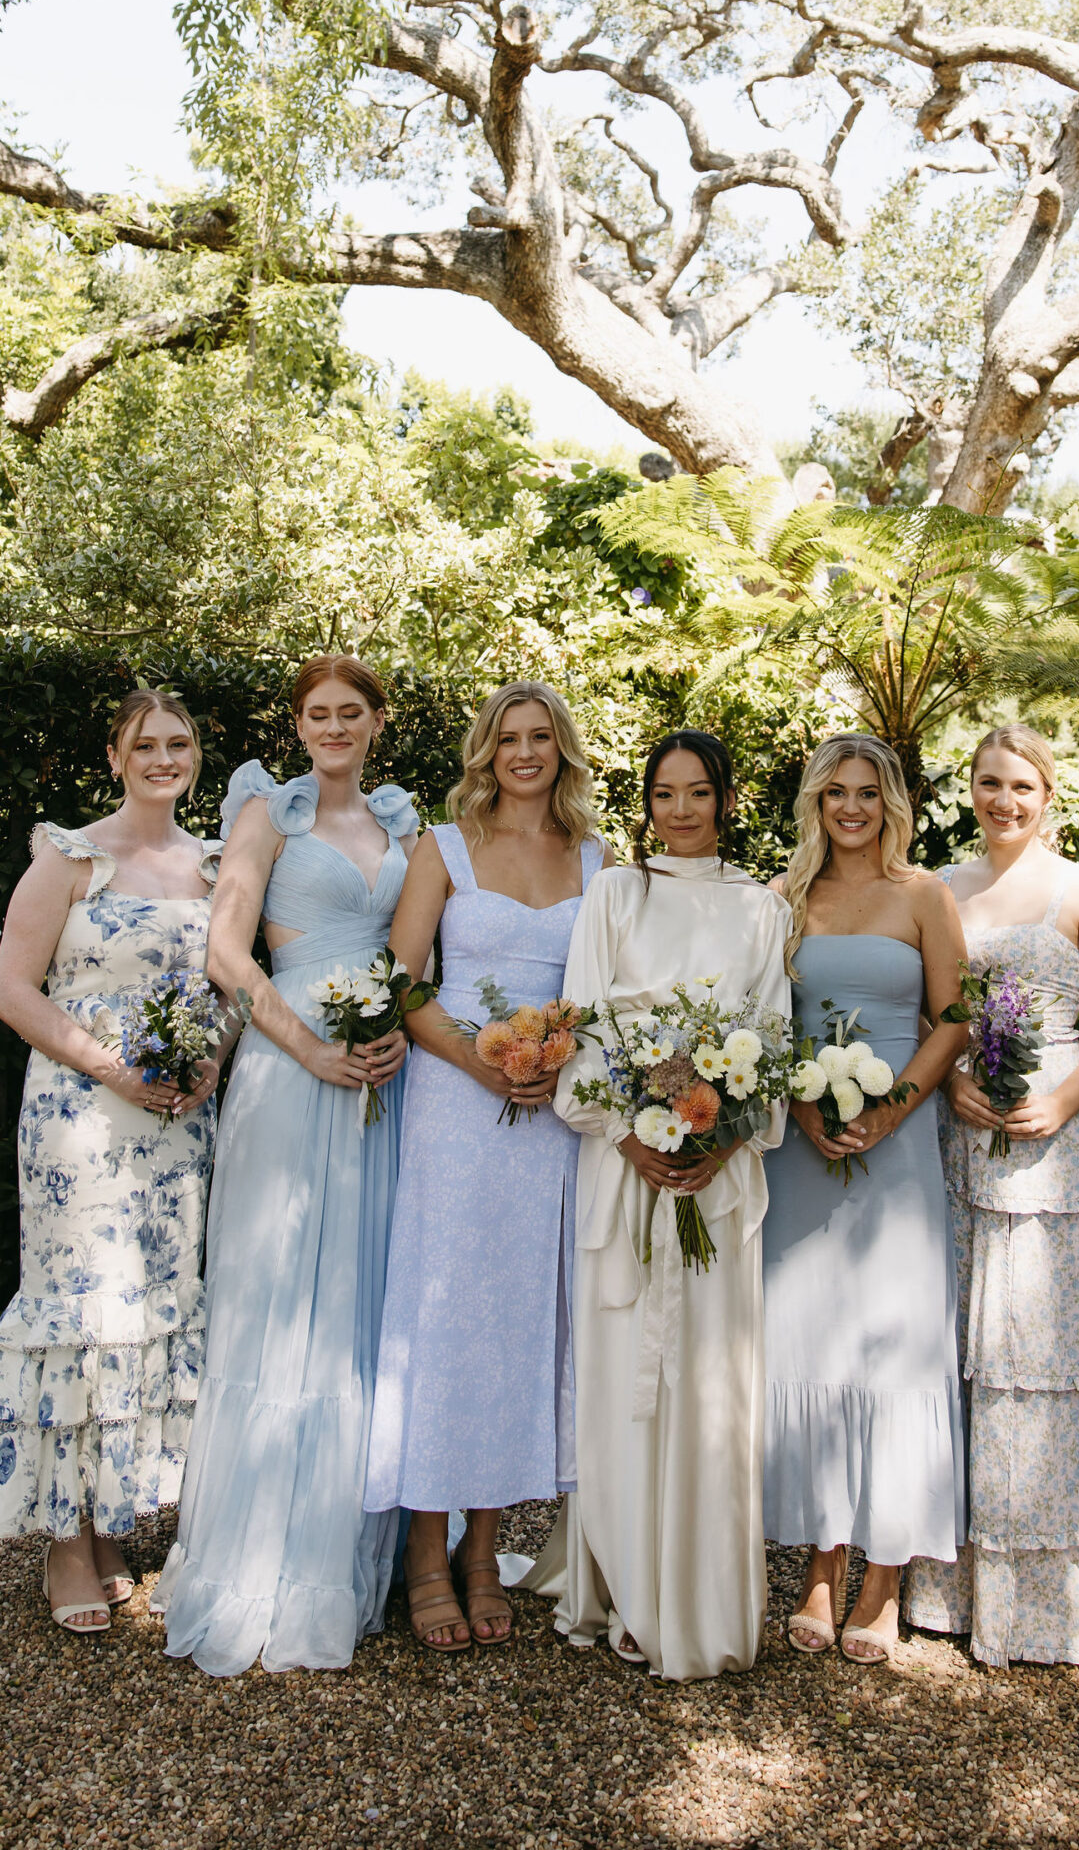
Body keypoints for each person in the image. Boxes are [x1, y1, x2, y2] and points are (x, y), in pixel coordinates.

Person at [156, 654, 417, 1675]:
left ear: (376, 722)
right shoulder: (269, 811)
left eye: (353, 711)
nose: (336, 727)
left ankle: (354, 1553)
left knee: (358, 1294)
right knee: (279, 1285)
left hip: (380, 1068)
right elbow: (228, 950)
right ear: (300, 723)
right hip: (287, 1058)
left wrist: (394, 1024)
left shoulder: (402, 822)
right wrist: (306, 1044)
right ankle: (255, 1551)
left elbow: (413, 945)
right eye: (320, 713)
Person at [529, 730, 792, 1681]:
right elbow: (583, 1024)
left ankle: (703, 1594)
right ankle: (630, 1585)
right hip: (622, 1162)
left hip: (716, 1179)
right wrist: (631, 1133)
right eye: (663, 794)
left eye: (697, 793)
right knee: (622, 1379)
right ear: (644, 802)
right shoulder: (615, 894)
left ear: (724, 800)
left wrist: (719, 1133)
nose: (679, 811)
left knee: (708, 1380)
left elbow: (769, 1032)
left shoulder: (762, 907)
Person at [0, 691, 223, 1637]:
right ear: (113, 756)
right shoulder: (69, 856)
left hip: (176, 1127)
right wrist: (111, 1067)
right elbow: (10, 992)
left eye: (179, 744)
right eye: (145, 745)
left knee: (152, 1311)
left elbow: (230, 985)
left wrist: (211, 1062)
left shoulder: (213, 863)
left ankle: (113, 1519)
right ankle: (67, 1542)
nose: (164, 758)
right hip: (80, 1124)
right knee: (81, 1315)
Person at [364, 682, 609, 1650]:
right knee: (445, 1316)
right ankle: (426, 1552)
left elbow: (606, 989)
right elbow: (401, 978)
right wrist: (485, 1061)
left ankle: (484, 1549)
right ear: (485, 750)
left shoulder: (596, 860)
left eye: (540, 736)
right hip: (455, 1107)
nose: (522, 752)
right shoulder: (445, 844)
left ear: (562, 750)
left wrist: (556, 1063)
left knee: (518, 1323)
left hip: (549, 1120)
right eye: (507, 737)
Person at [904, 724, 1079, 1675]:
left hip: (1055, 1139)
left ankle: (1063, 1607)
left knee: (1046, 1356)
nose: (1003, 800)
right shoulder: (939, 887)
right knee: (962, 1354)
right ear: (968, 789)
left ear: (1048, 794)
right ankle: (949, 1592)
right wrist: (950, 1074)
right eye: (988, 783)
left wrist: (1064, 1098)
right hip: (959, 1134)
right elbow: (930, 1010)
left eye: (1021, 785)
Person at [761, 735, 971, 1662]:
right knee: (809, 1336)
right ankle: (818, 1563)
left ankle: (883, 1579)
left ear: (891, 801)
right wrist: (800, 1102)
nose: (851, 808)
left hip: (897, 1144)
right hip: (799, 1146)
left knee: (893, 1341)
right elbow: (756, 1016)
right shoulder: (781, 899)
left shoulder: (924, 895)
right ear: (815, 802)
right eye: (835, 792)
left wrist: (892, 1109)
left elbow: (957, 1015)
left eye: (867, 793)